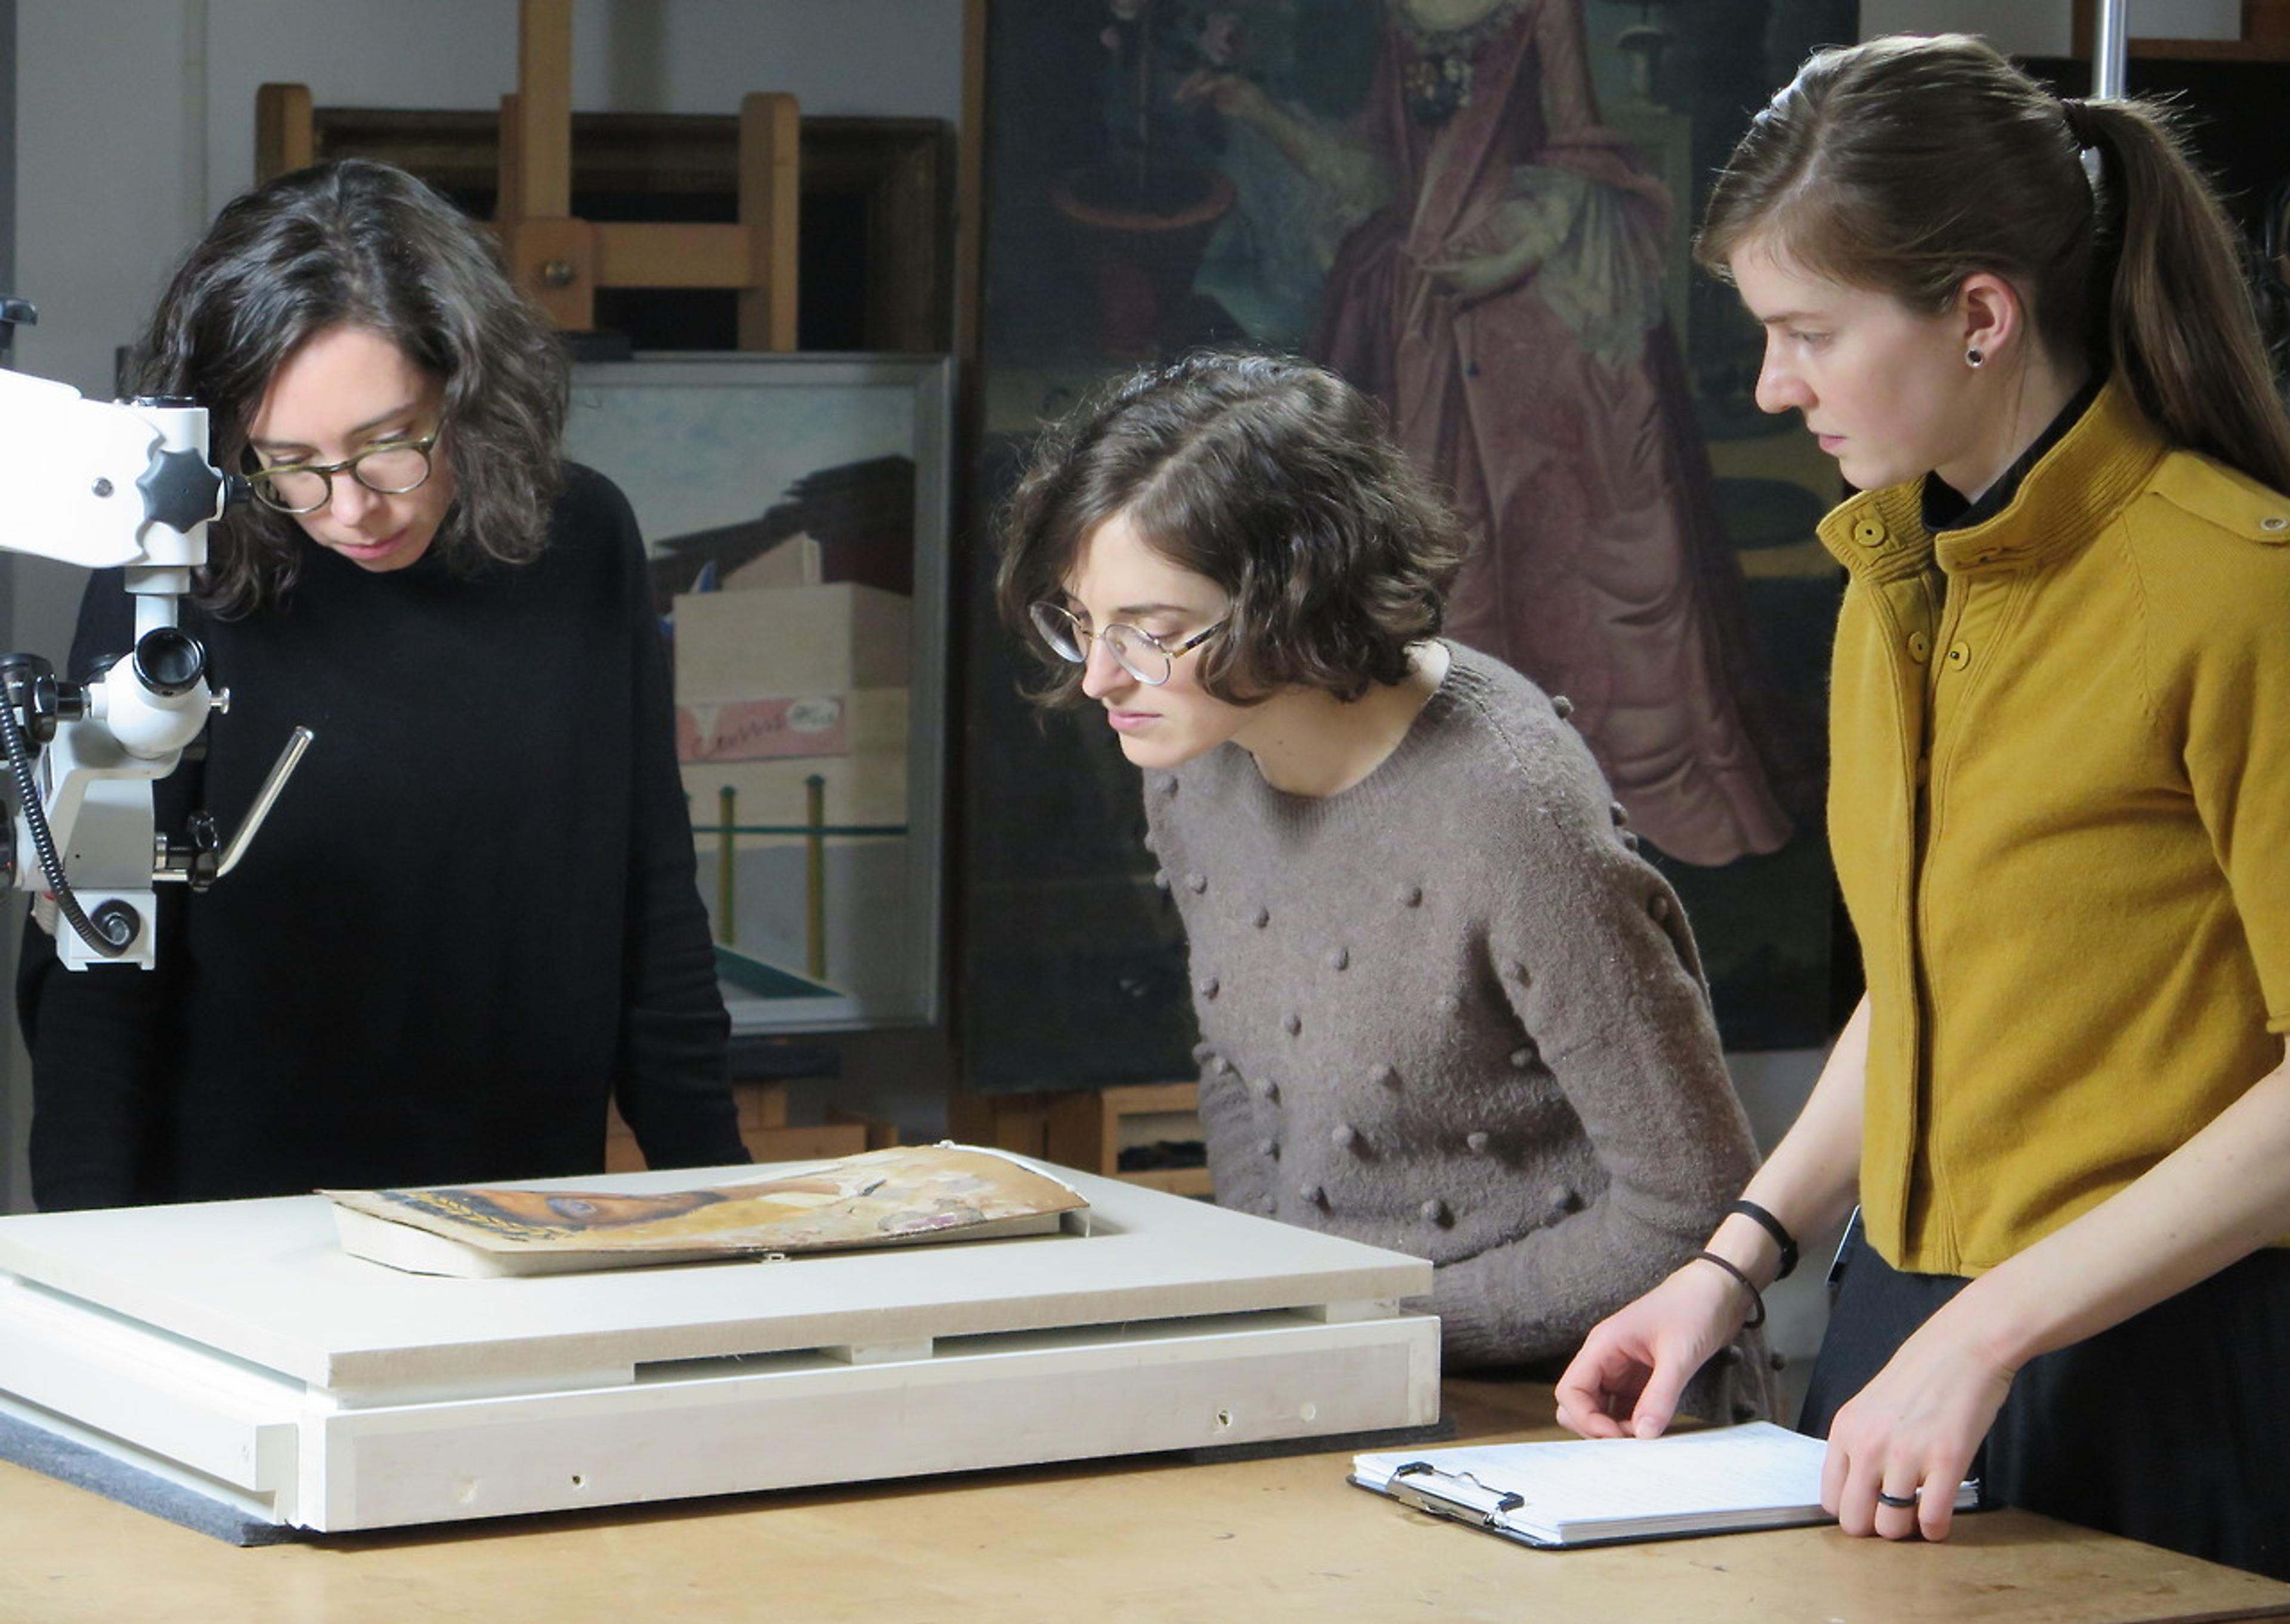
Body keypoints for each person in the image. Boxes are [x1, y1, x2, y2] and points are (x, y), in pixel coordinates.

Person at [1552, 35, 2290, 1579]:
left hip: (2169, 1371)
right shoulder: (1890, 575)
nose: (1770, 384)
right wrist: (1732, 1263)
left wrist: (1994, 1327)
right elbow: (1929, 983)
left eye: (1808, 331)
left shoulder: (2243, 590)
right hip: (1903, 1332)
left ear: (1978, 314)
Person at [996, 349, 1774, 1416]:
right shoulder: (1196, 753)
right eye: (1082, 622)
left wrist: (1369, 1318)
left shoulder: (1510, 808)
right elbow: (1238, 1062)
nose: (1100, 676)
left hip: (1586, 1414)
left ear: (1295, 595)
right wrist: (1289, 1301)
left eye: (1154, 633)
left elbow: (1695, 1209)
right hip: (1343, 1378)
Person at [16, 159, 748, 1208]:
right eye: (290, 462)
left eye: (387, 446)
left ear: (466, 386)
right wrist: (88, 1253)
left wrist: (722, 1207)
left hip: (523, 1203)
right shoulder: (172, 574)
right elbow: (99, 967)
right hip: (233, 1220)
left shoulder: (583, 538)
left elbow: (650, 895)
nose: (348, 506)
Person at [1178, 0, 1799, 865]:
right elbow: (1377, 168)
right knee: (1416, 559)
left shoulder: (1542, 7)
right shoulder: (1397, 16)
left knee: (1567, 542)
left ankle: (1575, 814)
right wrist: (1254, 109)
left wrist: (1514, 253)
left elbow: (1579, 143)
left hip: (1527, 308)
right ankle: (1439, 812)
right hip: (1410, 308)